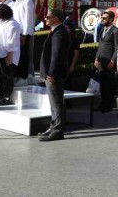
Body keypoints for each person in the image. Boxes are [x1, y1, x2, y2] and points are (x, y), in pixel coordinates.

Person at [39, 9, 69, 141]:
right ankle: (54, 126)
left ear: (56, 18)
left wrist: (51, 72)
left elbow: (56, 55)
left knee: (56, 102)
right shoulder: (56, 30)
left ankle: (57, 130)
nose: (45, 19)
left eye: (48, 17)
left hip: (54, 74)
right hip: (52, 73)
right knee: (55, 102)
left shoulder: (59, 32)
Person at [0, 4, 22, 105]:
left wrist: (9, 55)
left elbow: (12, 41)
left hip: (8, 54)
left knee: (6, 76)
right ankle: (1, 96)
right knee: (0, 77)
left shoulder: (13, 24)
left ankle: (6, 97)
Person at [94, 11, 118, 113]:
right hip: (101, 62)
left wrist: (113, 61)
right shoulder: (102, 30)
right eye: (102, 18)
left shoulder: (116, 31)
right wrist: (96, 58)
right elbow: (100, 46)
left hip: (109, 62)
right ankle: (102, 104)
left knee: (108, 85)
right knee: (102, 84)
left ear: (111, 19)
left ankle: (108, 105)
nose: (102, 20)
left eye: (104, 18)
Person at [10, 0, 34, 80]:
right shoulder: (16, 1)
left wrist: (24, 34)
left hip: (23, 32)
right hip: (16, 31)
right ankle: (16, 74)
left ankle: (23, 76)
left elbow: (28, 19)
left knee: (23, 55)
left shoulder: (27, 1)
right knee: (16, 54)